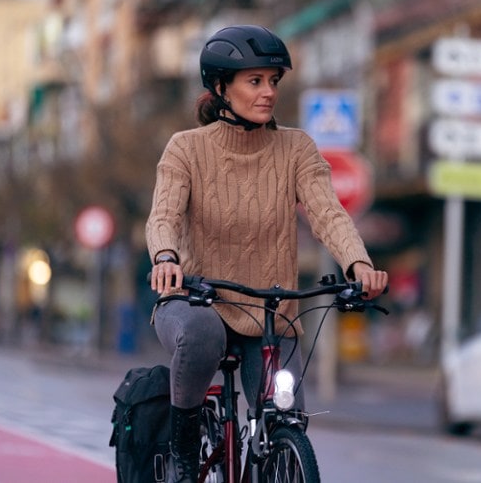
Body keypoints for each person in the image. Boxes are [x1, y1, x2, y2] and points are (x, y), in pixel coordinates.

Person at [146, 24, 388, 483]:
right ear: (221, 87)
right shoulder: (186, 148)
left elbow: (328, 213)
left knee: (284, 411)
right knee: (199, 336)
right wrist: (165, 259)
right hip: (197, 300)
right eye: (254, 81)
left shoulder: (296, 149)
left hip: (270, 312)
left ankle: (277, 458)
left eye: (273, 81)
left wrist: (359, 264)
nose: (268, 92)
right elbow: (164, 217)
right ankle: (183, 450)